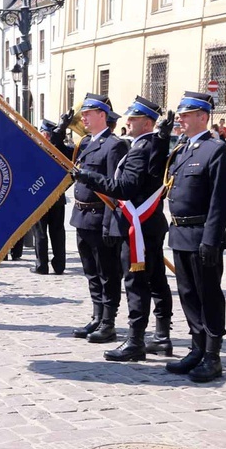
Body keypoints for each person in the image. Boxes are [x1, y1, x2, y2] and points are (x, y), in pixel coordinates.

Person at [74, 96, 175, 362]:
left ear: (147, 123)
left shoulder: (142, 147)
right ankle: (162, 336)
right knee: (155, 280)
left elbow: (125, 187)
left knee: (136, 282)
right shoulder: (146, 143)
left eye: (134, 118)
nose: (127, 121)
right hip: (144, 224)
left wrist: (87, 176)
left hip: (136, 226)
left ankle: (135, 341)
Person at [153, 92, 226, 383]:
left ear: (203, 117)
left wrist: (211, 239)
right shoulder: (182, 150)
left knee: (208, 294)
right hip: (179, 233)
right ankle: (196, 347)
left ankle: (212, 354)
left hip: (202, 234)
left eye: (186, 116)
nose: (181, 121)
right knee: (187, 293)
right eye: (181, 116)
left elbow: (221, 200)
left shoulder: (215, 150)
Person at [70, 93, 129, 343]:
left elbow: (114, 188)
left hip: (98, 216)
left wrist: (109, 222)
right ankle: (96, 316)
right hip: (81, 216)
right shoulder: (85, 143)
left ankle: (108, 321)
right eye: (83, 113)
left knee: (108, 273)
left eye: (88, 113)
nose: (82, 117)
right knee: (91, 272)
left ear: (102, 115)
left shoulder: (114, 145)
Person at [31, 117, 73, 275]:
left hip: (40, 198)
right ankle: (59, 264)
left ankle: (41, 265)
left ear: (45, 135)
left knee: (40, 233)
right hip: (57, 197)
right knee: (57, 232)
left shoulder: (36, 150)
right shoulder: (62, 150)